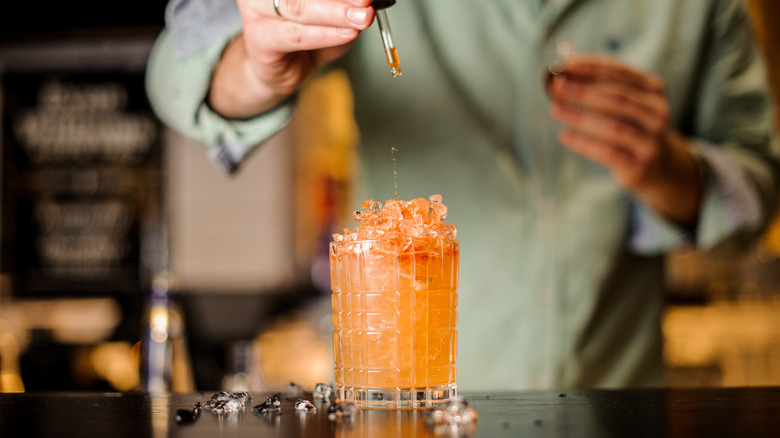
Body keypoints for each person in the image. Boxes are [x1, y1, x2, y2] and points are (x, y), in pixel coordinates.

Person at [145, 0, 780, 390]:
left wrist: (667, 168)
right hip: (402, 415)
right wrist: (256, 65)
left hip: (611, 405)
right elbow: (179, 72)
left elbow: (759, 196)